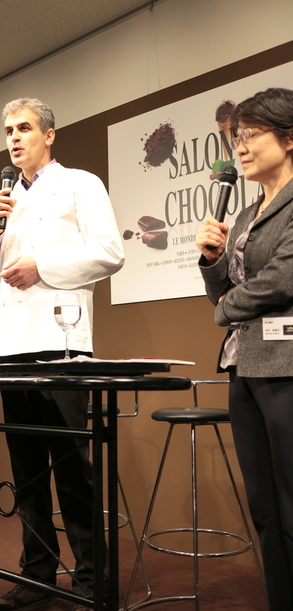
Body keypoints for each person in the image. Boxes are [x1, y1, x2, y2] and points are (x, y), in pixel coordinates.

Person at [0, 97, 124, 611]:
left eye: (23, 128)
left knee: (70, 467)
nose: (14, 138)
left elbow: (110, 253)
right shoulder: (5, 197)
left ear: (49, 134)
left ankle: (91, 581)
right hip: (12, 344)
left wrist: (41, 265)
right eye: (8, 131)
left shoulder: (81, 183)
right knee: (27, 471)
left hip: (62, 342)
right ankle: (36, 575)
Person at [196, 87, 293, 611]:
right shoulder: (245, 215)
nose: (241, 146)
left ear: (289, 137)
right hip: (243, 365)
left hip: (287, 366)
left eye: (252, 134)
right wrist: (213, 261)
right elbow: (227, 290)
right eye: (237, 137)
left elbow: (281, 279)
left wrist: (226, 309)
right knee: (264, 509)